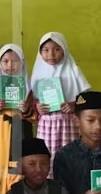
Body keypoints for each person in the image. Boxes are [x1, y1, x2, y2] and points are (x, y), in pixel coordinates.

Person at [31, 32, 90, 172]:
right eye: (45, 50)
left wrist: (74, 105)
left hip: (69, 123)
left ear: (64, 50)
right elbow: (33, 100)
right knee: (48, 157)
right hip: (47, 125)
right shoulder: (38, 74)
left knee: (71, 158)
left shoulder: (73, 71)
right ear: (40, 52)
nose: (51, 54)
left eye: (57, 49)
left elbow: (86, 99)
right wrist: (38, 107)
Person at [0, 44, 35, 194]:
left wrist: (26, 109)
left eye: (15, 61)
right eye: (5, 61)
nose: (10, 65)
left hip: (21, 127)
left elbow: (36, 115)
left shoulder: (29, 86)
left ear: (22, 63)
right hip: (1, 129)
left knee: (19, 163)